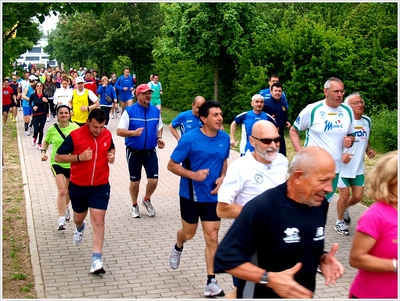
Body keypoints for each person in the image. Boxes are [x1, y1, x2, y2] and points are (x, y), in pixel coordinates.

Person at [214, 146, 344, 298]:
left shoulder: (319, 204)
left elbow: (299, 244)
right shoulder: (263, 207)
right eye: (323, 181)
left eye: (331, 180)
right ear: (298, 177)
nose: (329, 189)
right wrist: (268, 279)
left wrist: (322, 258)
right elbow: (225, 258)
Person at [217, 119, 288, 298]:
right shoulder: (240, 167)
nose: (273, 145)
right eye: (266, 141)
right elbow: (222, 209)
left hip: (277, 241)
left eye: (277, 140)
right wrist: (258, 214)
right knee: (246, 293)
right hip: (250, 243)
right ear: (252, 141)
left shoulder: (282, 161)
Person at [167, 100, 230, 297]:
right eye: (215, 115)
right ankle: (178, 246)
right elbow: (171, 165)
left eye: (220, 114)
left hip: (212, 196)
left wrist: (222, 177)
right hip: (190, 195)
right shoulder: (189, 139)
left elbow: (224, 160)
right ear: (203, 118)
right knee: (189, 233)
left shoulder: (225, 138)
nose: (220, 118)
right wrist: (193, 175)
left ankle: (211, 282)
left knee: (212, 236)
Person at [54, 108, 115, 274]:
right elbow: (58, 157)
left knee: (98, 219)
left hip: (100, 185)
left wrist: (112, 156)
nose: (98, 131)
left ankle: (97, 260)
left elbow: (111, 148)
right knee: (78, 218)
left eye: (101, 127)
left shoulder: (107, 134)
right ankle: (80, 228)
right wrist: (78, 157)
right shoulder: (75, 136)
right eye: (95, 127)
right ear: (87, 122)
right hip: (79, 185)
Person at [289, 77, 355, 203]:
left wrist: (350, 140)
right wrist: (300, 152)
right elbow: (293, 130)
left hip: (334, 169)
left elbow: (352, 134)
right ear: (326, 91)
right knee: (306, 202)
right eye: (336, 91)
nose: (340, 95)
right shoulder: (312, 109)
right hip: (312, 168)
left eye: (342, 91)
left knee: (323, 205)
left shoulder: (347, 111)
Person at [349, 150, 398, 299]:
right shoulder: (376, 215)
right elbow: (356, 258)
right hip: (371, 294)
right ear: (390, 182)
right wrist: (395, 266)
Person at [116, 84, 165, 218]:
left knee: (154, 180)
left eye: (149, 93)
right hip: (134, 152)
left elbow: (159, 126)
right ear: (138, 95)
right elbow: (119, 131)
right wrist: (133, 133)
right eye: (145, 93)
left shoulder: (155, 111)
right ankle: (134, 204)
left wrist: (159, 137)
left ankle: (147, 199)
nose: (148, 96)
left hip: (150, 152)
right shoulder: (129, 111)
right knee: (135, 182)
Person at [334, 93, 376, 235]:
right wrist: (341, 156)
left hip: (357, 166)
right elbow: (331, 144)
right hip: (341, 166)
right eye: (356, 103)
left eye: (361, 102)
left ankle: (344, 208)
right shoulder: (341, 122)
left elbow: (366, 138)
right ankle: (339, 222)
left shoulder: (367, 121)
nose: (360, 105)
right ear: (347, 107)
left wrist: (368, 150)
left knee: (358, 196)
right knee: (344, 195)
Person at [40, 105, 79, 230]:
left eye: (66, 113)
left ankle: (66, 206)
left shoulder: (75, 128)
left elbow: (81, 143)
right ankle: (61, 220)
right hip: (56, 162)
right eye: (61, 113)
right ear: (57, 115)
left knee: (67, 190)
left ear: (70, 114)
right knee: (62, 190)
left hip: (71, 163)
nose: (63, 115)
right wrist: (43, 152)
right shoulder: (52, 129)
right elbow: (46, 141)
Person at [262, 82, 292, 156]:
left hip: (280, 135)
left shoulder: (283, 104)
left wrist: (287, 121)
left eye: (279, 91)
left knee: (282, 156)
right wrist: (267, 119)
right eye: (275, 91)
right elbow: (259, 116)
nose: (277, 93)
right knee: (269, 156)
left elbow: (283, 115)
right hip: (268, 135)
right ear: (271, 91)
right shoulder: (265, 103)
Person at [29, 82, 49, 150]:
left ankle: (40, 143)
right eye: (38, 86)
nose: (39, 87)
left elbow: (47, 105)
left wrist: (46, 102)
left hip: (43, 114)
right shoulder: (33, 95)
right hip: (35, 114)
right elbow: (29, 103)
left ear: (42, 87)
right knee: (36, 129)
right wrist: (33, 107)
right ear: (36, 87)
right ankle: (34, 137)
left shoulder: (45, 95)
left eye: (40, 86)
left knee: (41, 130)